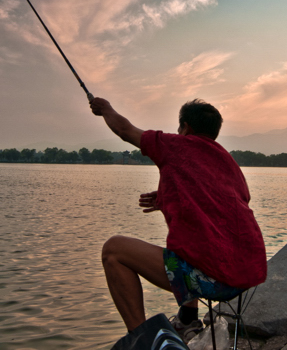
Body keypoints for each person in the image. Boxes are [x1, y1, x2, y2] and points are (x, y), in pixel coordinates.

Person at [90, 97, 267, 340]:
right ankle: (187, 320)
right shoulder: (228, 162)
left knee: (113, 250)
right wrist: (164, 198)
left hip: (215, 279)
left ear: (186, 127)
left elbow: (125, 130)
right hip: (247, 274)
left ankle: (142, 340)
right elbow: (213, 206)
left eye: (179, 128)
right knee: (188, 244)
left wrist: (105, 109)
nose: (177, 132)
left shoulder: (177, 146)